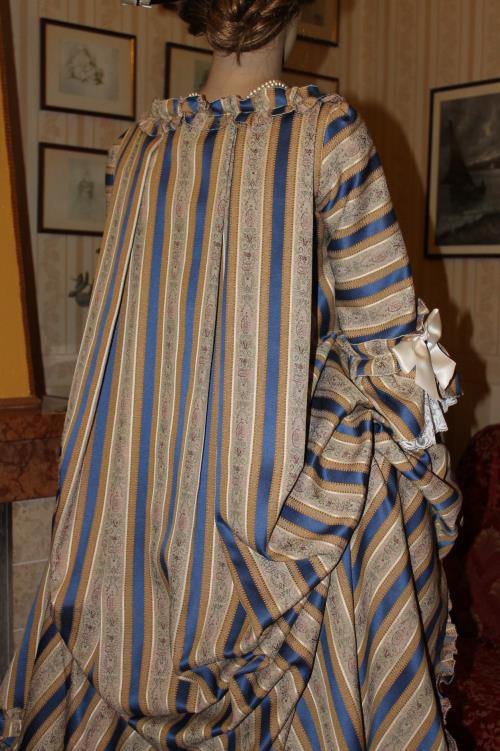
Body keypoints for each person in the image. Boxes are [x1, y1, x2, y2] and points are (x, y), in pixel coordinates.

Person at [0, 1, 462, 748]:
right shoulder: (325, 134)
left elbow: (121, 359)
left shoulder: (136, 151)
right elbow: (390, 348)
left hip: (141, 520)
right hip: (286, 511)